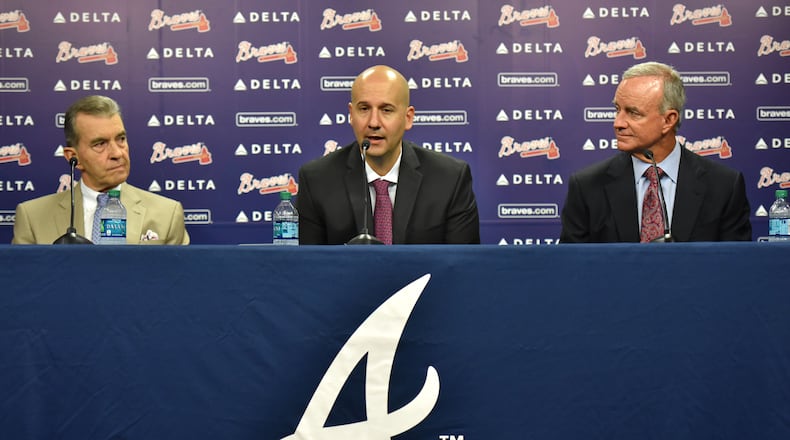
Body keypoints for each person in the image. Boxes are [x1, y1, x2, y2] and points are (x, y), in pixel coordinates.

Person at [560, 61, 751, 243]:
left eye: (633, 113)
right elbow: (572, 268)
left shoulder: (724, 186)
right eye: (617, 110)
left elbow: (735, 266)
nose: (618, 123)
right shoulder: (587, 187)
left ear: (669, 120)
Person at [297, 65, 480, 244]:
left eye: (386, 110)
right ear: (351, 115)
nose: (374, 122)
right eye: (364, 109)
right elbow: (308, 267)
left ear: (408, 118)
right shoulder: (317, 180)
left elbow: (463, 266)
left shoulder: (449, 179)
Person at [12, 95, 190, 244]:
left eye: (121, 139)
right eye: (100, 144)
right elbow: (25, 282)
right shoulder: (32, 217)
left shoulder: (167, 214)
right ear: (73, 157)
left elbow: (178, 283)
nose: (117, 153)